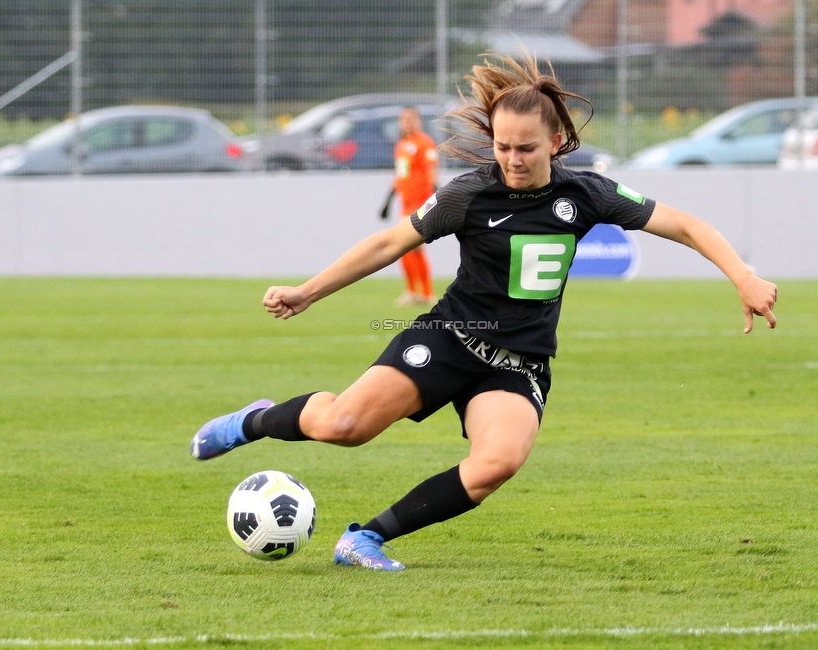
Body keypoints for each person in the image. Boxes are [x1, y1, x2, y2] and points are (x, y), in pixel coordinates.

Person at [190, 55, 778, 571]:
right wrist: (309, 290)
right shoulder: (467, 194)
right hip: (449, 339)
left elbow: (685, 224)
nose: (514, 159)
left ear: (555, 143)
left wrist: (743, 275)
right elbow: (389, 243)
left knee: (497, 462)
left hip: (518, 362)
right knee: (345, 428)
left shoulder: (587, 195)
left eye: (526, 147)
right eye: (503, 146)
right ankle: (255, 421)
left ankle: (365, 537)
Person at [382, 106, 439, 306]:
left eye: (411, 119)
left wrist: (436, 198)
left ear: (418, 121)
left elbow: (432, 171)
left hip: (420, 202)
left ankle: (426, 292)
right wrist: (388, 201)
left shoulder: (424, 143)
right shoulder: (401, 145)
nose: (407, 123)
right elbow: (400, 175)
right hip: (405, 203)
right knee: (406, 248)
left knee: (414, 247)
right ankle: (413, 291)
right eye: (404, 119)